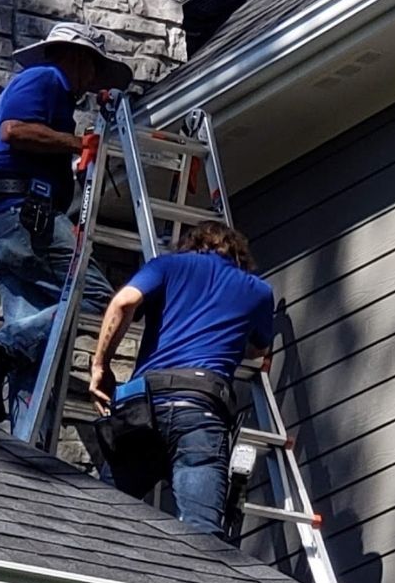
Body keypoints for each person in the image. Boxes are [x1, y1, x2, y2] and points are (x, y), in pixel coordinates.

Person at [0, 21, 131, 425]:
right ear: (77, 57)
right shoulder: (45, 77)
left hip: (0, 224)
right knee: (100, 300)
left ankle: (23, 438)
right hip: (25, 219)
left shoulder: (41, 95)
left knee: (33, 346)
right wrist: (79, 145)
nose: (90, 85)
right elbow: (14, 131)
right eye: (92, 71)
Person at [88, 222, 275, 538]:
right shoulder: (257, 290)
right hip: (200, 412)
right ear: (239, 253)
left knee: (105, 521)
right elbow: (259, 348)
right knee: (201, 536)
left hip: (143, 409)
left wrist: (100, 366)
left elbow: (123, 303)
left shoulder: (167, 266)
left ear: (192, 243)